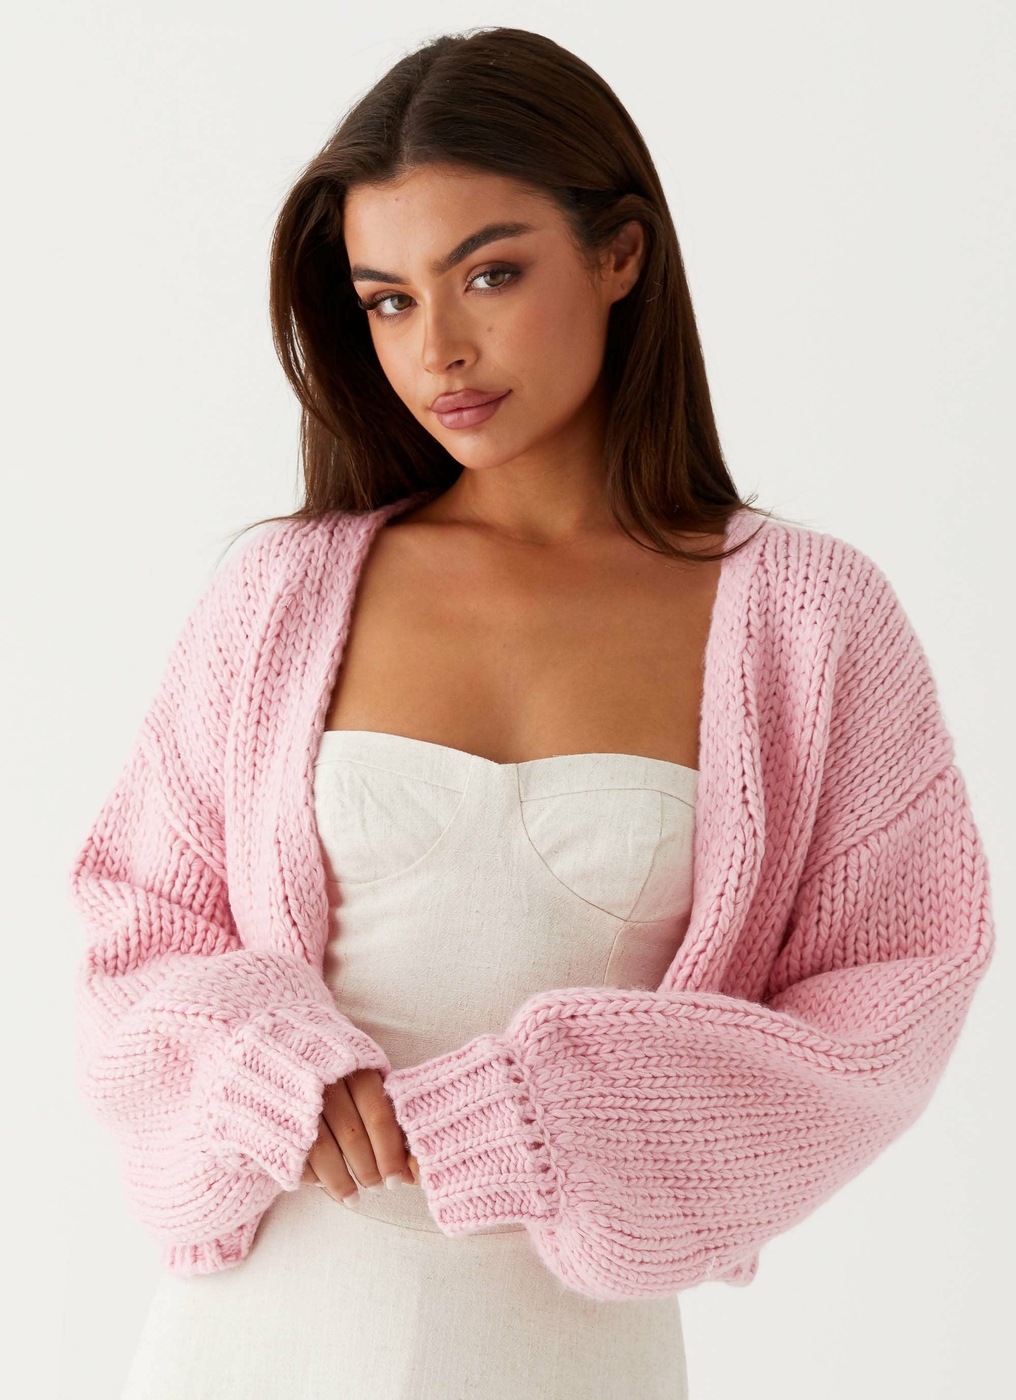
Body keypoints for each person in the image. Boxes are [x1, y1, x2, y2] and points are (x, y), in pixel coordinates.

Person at [68, 26, 996, 1400]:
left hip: (566, 1352)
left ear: (620, 254)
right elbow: (136, 929)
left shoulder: (809, 619)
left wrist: (566, 1110)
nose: (439, 349)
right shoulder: (282, 596)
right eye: (389, 301)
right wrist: (263, 1065)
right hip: (255, 1336)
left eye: (490, 275)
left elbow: (897, 986)